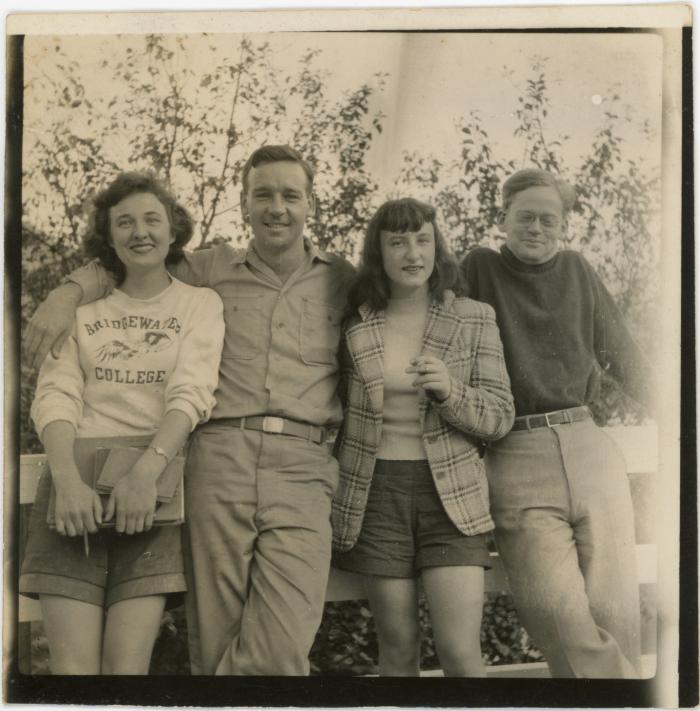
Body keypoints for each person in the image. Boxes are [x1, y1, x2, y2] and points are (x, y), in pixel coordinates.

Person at [24, 145, 355, 676]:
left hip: (303, 466)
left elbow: (403, 302)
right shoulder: (208, 269)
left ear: (309, 204)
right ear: (244, 205)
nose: (277, 207)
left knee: (281, 648)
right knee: (215, 640)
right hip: (218, 461)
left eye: (290, 195)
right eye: (262, 195)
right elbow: (131, 259)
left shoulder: (344, 279)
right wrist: (68, 292)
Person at [19, 172, 225, 674]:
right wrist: (66, 480)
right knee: (74, 675)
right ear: (107, 238)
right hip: (74, 483)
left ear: (173, 229)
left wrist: (145, 473)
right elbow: (58, 394)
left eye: (152, 219)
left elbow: (192, 391)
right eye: (125, 223)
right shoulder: (82, 309)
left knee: (126, 673)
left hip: (150, 486)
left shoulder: (200, 304)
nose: (140, 232)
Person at [461, 168, 653, 678]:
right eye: (525, 217)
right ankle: (633, 694)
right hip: (515, 451)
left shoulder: (577, 270)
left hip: (589, 445)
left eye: (550, 219)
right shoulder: (479, 268)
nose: (537, 228)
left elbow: (624, 358)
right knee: (559, 614)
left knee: (616, 608)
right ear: (503, 218)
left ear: (564, 225)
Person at [332, 198, 514, 676]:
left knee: (458, 652)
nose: (412, 253)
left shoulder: (474, 317)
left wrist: (451, 392)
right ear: (379, 252)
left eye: (422, 239)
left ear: (437, 247)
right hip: (376, 495)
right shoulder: (356, 324)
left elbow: (499, 416)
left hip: (452, 497)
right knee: (397, 650)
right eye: (397, 242)